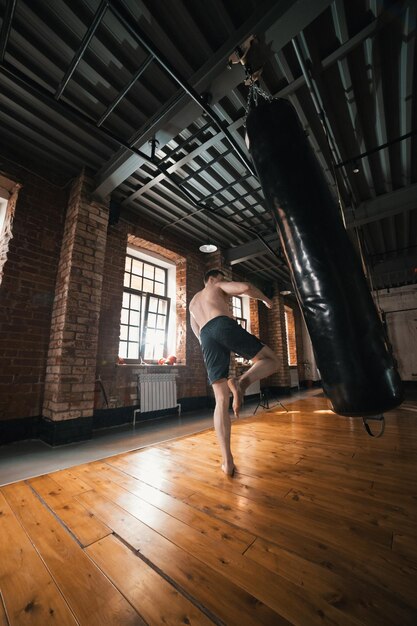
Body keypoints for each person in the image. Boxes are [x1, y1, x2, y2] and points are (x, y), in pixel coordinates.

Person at [189, 269, 280, 476]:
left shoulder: (193, 303)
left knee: (221, 400)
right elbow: (245, 288)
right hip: (222, 325)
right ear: (212, 279)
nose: (224, 282)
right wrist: (266, 300)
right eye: (222, 279)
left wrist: (210, 341)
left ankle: (227, 462)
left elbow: (196, 331)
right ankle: (241, 382)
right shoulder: (215, 286)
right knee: (272, 361)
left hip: (206, 337)